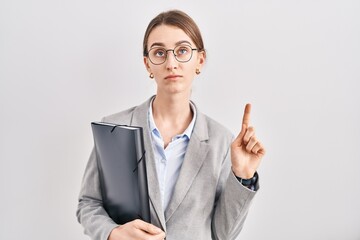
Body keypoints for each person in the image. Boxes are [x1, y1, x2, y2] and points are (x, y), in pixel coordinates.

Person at [77, 9, 266, 240]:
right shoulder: (114, 128)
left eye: (182, 51)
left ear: (200, 60)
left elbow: (222, 234)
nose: (171, 63)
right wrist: (113, 232)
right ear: (148, 64)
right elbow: (88, 203)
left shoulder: (222, 141)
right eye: (159, 53)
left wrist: (242, 176)